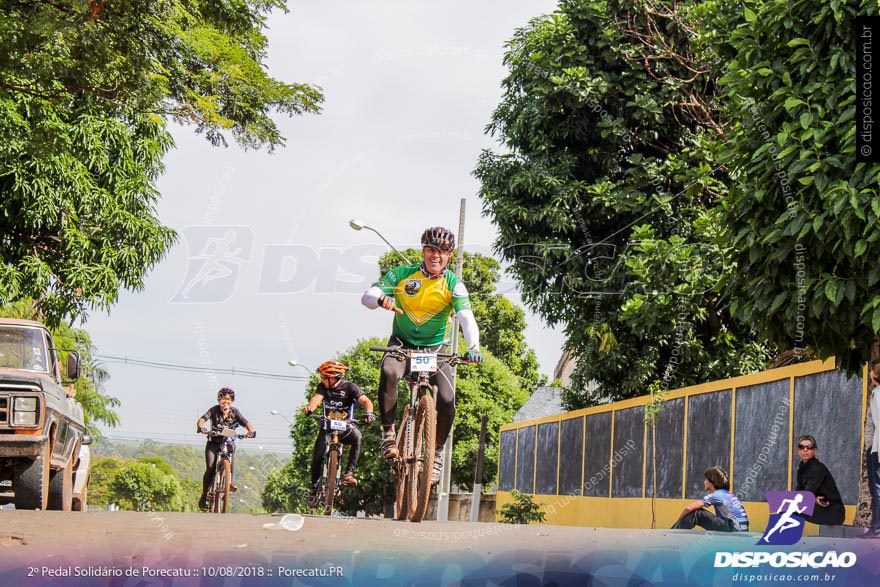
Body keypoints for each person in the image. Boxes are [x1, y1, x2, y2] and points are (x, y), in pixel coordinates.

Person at [361, 226, 482, 483]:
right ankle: (389, 435)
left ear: (450, 255)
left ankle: (436, 453)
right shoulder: (403, 274)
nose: (435, 255)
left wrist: (474, 348)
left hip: (435, 350)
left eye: (442, 251)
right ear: (423, 251)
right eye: (431, 250)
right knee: (389, 371)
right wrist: (380, 299)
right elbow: (368, 296)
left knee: (448, 399)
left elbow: (466, 317)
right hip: (402, 345)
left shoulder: (454, 284)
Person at [303, 360, 375, 491]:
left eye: (325, 377)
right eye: (322, 376)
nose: (322, 379)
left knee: (358, 436)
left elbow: (366, 401)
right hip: (327, 428)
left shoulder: (350, 387)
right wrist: (310, 409)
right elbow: (316, 399)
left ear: (335, 377)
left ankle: (348, 474)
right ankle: (314, 485)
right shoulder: (322, 387)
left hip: (346, 428)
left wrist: (369, 414)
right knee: (317, 457)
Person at [196, 387, 255, 511]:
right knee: (210, 468)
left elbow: (247, 423)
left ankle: (230, 482)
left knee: (232, 454)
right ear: (219, 401)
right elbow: (202, 419)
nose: (225, 403)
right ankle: (204, 494)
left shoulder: (235, 412)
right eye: (223, 400)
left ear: (231, 402)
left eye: (228, 400)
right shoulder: (214, 410)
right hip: (213, 443)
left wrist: (251, 431)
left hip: (228, 442)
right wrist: (201, 427)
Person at [672, 466, 749, 532]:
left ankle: (672, 535)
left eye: (706, 479)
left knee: (696, 513)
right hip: (741, 529)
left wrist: (678, 522)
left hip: (732, 529)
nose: (704, 481)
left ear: (711, 482)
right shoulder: (728, 494)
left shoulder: (717, 495)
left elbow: (688, 508)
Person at [794, 434, 846, 526]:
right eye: (801, 447)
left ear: (815, 450)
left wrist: (811, 499)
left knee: (787, 508)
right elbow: (799, 494)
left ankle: (777, 538)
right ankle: (782, 538)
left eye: (809, 447)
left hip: (832, 511)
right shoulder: (801, 468)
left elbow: (805, 494)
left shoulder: (818, 468)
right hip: (818, 507)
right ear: (798, 451)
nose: (805, 450)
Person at [861, 364, 880, 539]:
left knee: (877, 489)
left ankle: (877, 529)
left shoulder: (877, 394)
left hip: (878, 449)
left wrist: (870, 448)